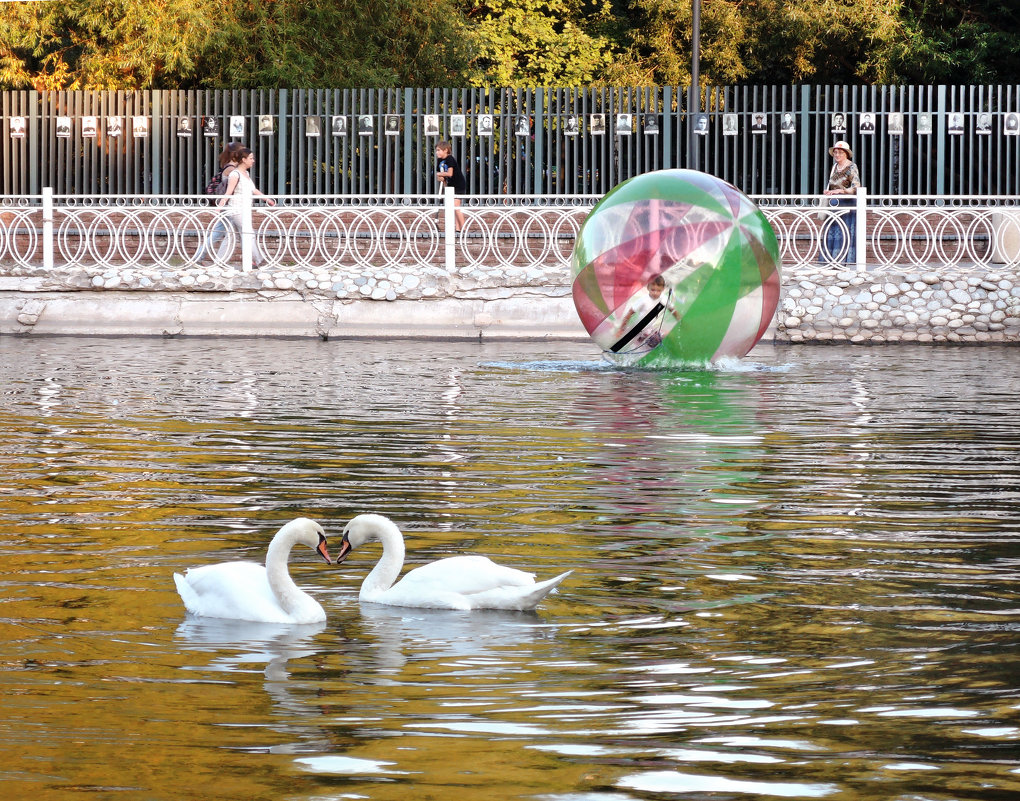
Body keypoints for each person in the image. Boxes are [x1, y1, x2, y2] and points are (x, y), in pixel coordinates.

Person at [214, 147, 276, 269]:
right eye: (251, 158)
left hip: (243, 210)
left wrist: (267, 199)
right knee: (249, 234)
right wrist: (219, 208)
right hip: (237, 210)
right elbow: (228, 192)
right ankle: (259, 261)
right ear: (243, 160)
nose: (253, 161)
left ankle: (219, 262)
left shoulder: (246, 174)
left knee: (230, 237)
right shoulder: (235, 174)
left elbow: (253, 190)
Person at [820, 140, 862, 264]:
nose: (837, 155)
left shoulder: (852, 167)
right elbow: (832, 185)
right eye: (836, 153)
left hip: (846, 205)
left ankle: (844, 260)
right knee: (832, 231)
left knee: (845, 232)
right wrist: (829, 192)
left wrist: (840, 191)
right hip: (833, 206)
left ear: (846, 154)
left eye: (840, 153)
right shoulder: (834, 167)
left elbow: (856, 187)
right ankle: (831, 259)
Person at [612, 275, 678, 352]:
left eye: (658, 290)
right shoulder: (644, 300)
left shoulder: (664, 299)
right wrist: (621, 329)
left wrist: (680, 320)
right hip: (641, 329)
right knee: (646, 343)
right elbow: (630, 313)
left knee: (669, 335)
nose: (655, 293)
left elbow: (672, 310)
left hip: (652, 328)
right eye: (653, 290)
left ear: (663, 289)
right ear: (648, 288)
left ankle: (671, 351)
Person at [435, 140, 466, 233]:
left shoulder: (450, 159)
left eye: (439, 150)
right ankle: (457, 228)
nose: (437, 152)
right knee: (454, 207)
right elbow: (441, 177)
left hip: (458, 184)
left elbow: (449, 173)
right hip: (450, 186)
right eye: (436, 150)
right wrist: (441, 180)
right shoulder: (440, 161)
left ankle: (464, 228)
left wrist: (439, 174)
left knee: (455, 206)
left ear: (446, 150)